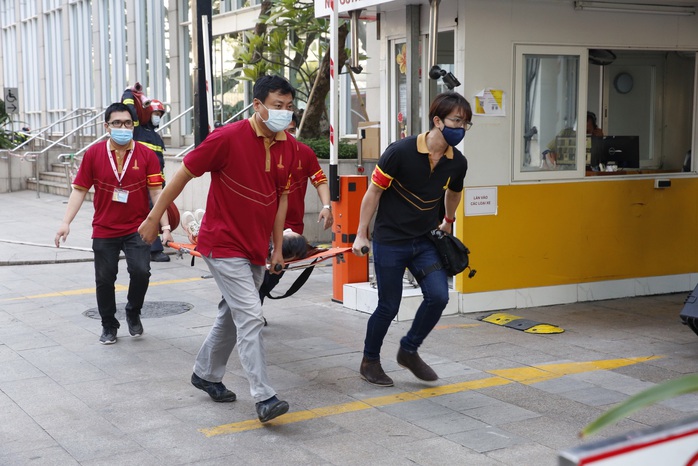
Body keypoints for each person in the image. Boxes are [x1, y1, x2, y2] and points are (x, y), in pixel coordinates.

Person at [138, 75, 296, 423]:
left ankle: (206, 374)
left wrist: (278, 248)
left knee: (232, 313)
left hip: (255, 245)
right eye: (277, 106)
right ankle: (264, 397)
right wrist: (154, 218)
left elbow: (280, 200)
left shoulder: (287, 145)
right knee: (251, 316)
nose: (284, 113)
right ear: (257, 105)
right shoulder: (227, 137)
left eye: (288, 107)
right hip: (222, 243)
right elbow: (183, 175)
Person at [352, 91, 470, 387]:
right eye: (456, 120)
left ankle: (408, 350)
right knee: (388, 305)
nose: (461, 128)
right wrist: (360, 233)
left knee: (439, 296)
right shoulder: (400, 151)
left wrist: (448, 221)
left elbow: (454, 191)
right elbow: (373, 192)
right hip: (390, 241)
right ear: (437, 121)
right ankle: (370, 361)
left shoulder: (458, 162)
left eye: (466, 123)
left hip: (424, 241)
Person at [54, 102, 172, 344]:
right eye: (117, 123)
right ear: (106, 126)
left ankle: (133, 311)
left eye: (127, 123)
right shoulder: (94, 154)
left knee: (141, 272)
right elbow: (79, 191)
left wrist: (166, 227)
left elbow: (157, 194)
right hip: (104, 228)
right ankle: (108, 324)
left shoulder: (146, 155)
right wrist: (65, 222)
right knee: (105, 279)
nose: (123, 127)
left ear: (133, 126)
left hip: (138, 227)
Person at [258, 111, 333, 303]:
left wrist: (326, 206)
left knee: (274, 274)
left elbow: (320, 180)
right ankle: (248, 313)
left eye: (291, 130)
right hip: (262, 226)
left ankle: (252, 309)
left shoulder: (305, 153)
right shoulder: (262, 152)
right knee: (253, 274)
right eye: (283, 130)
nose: (287, 135)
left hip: (291, 230)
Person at [122, 88, 170, 262]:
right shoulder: (136, 130)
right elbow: (129, 109)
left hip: (156, 181)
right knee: (147, 211)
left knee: (154, 210)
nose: (157, 116)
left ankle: (150, 246)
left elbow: (160, 162)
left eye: (160, 114)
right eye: (155, 113)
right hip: (139, 180)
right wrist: (130, 92)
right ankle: (153, 249)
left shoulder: (156, 137)